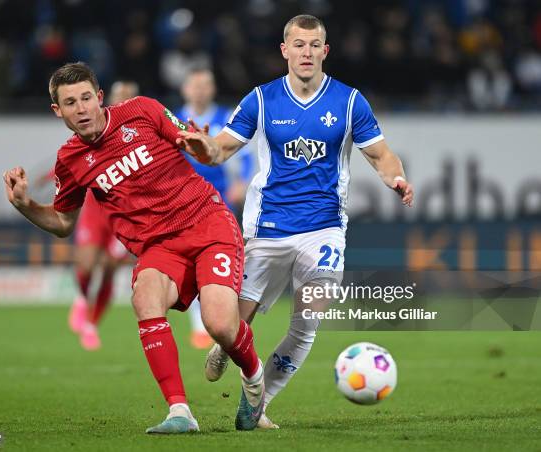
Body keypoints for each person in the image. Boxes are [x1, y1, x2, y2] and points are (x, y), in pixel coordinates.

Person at [177, 15, 414, 429]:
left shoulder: (349, 101)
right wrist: (204, 147)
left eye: (314, 45)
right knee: (231, 323)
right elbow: (223, 149)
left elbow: (379, 154)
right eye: (299, 45)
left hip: (324, 228)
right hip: (268, 226)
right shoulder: (262, 100)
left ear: (326, 51)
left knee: (307, 323)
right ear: (284, 50)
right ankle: (224, 345)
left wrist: (395, 176)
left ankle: (258, 404)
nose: (307, 52)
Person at [3, 62, 265, 434]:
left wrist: (203, 146)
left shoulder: (142, 110)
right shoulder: (71, 161)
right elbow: (62, 224)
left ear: (99, 97)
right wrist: (24, 204)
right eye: (70, 103)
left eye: (85, 99)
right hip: (159, 247)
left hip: (207, 225)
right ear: (57, 111)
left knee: (220, 324)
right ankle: (180, 412)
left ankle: (254, 379)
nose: (80, 110)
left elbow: (201, 148)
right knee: (144, 297)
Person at [176, 68, 254, 350]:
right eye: (195, 85)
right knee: (191, 261)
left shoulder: (226, 117)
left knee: (220, 259)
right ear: (185, 89)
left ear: (212, 89)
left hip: (218, 199)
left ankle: (221, 317)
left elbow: (245, 157)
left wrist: (242, 182)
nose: (200, 90)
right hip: (181, 201)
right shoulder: (173, 118)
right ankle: (199, 325)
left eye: (205, 85)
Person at [65, 79, 140, 350]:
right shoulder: (96, 128)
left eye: (128, 95)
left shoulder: (141, 130)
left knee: (109, 268)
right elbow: (75, 161)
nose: (123, 100)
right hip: (96, 208)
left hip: (123, 213)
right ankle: (82, 299)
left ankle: (91, 325)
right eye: (119, 95)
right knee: (85, 265)